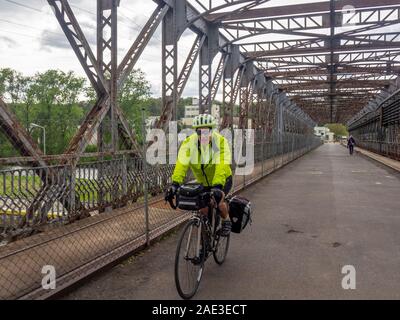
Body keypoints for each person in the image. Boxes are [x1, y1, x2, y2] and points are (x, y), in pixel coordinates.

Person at [168, 114, 233, 237]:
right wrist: (175, 183)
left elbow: (222, 163)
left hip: (223, 179)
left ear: (212, 131)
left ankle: (226, 220)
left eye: (206, 131)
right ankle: (205, 239)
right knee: (203, 209)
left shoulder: (220, 142)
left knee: (219, 202)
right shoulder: (188, 143)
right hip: (203, 182)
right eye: (199, 131)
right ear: (196, 132)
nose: (203, 134)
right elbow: (181, 163)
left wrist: (218, 186)